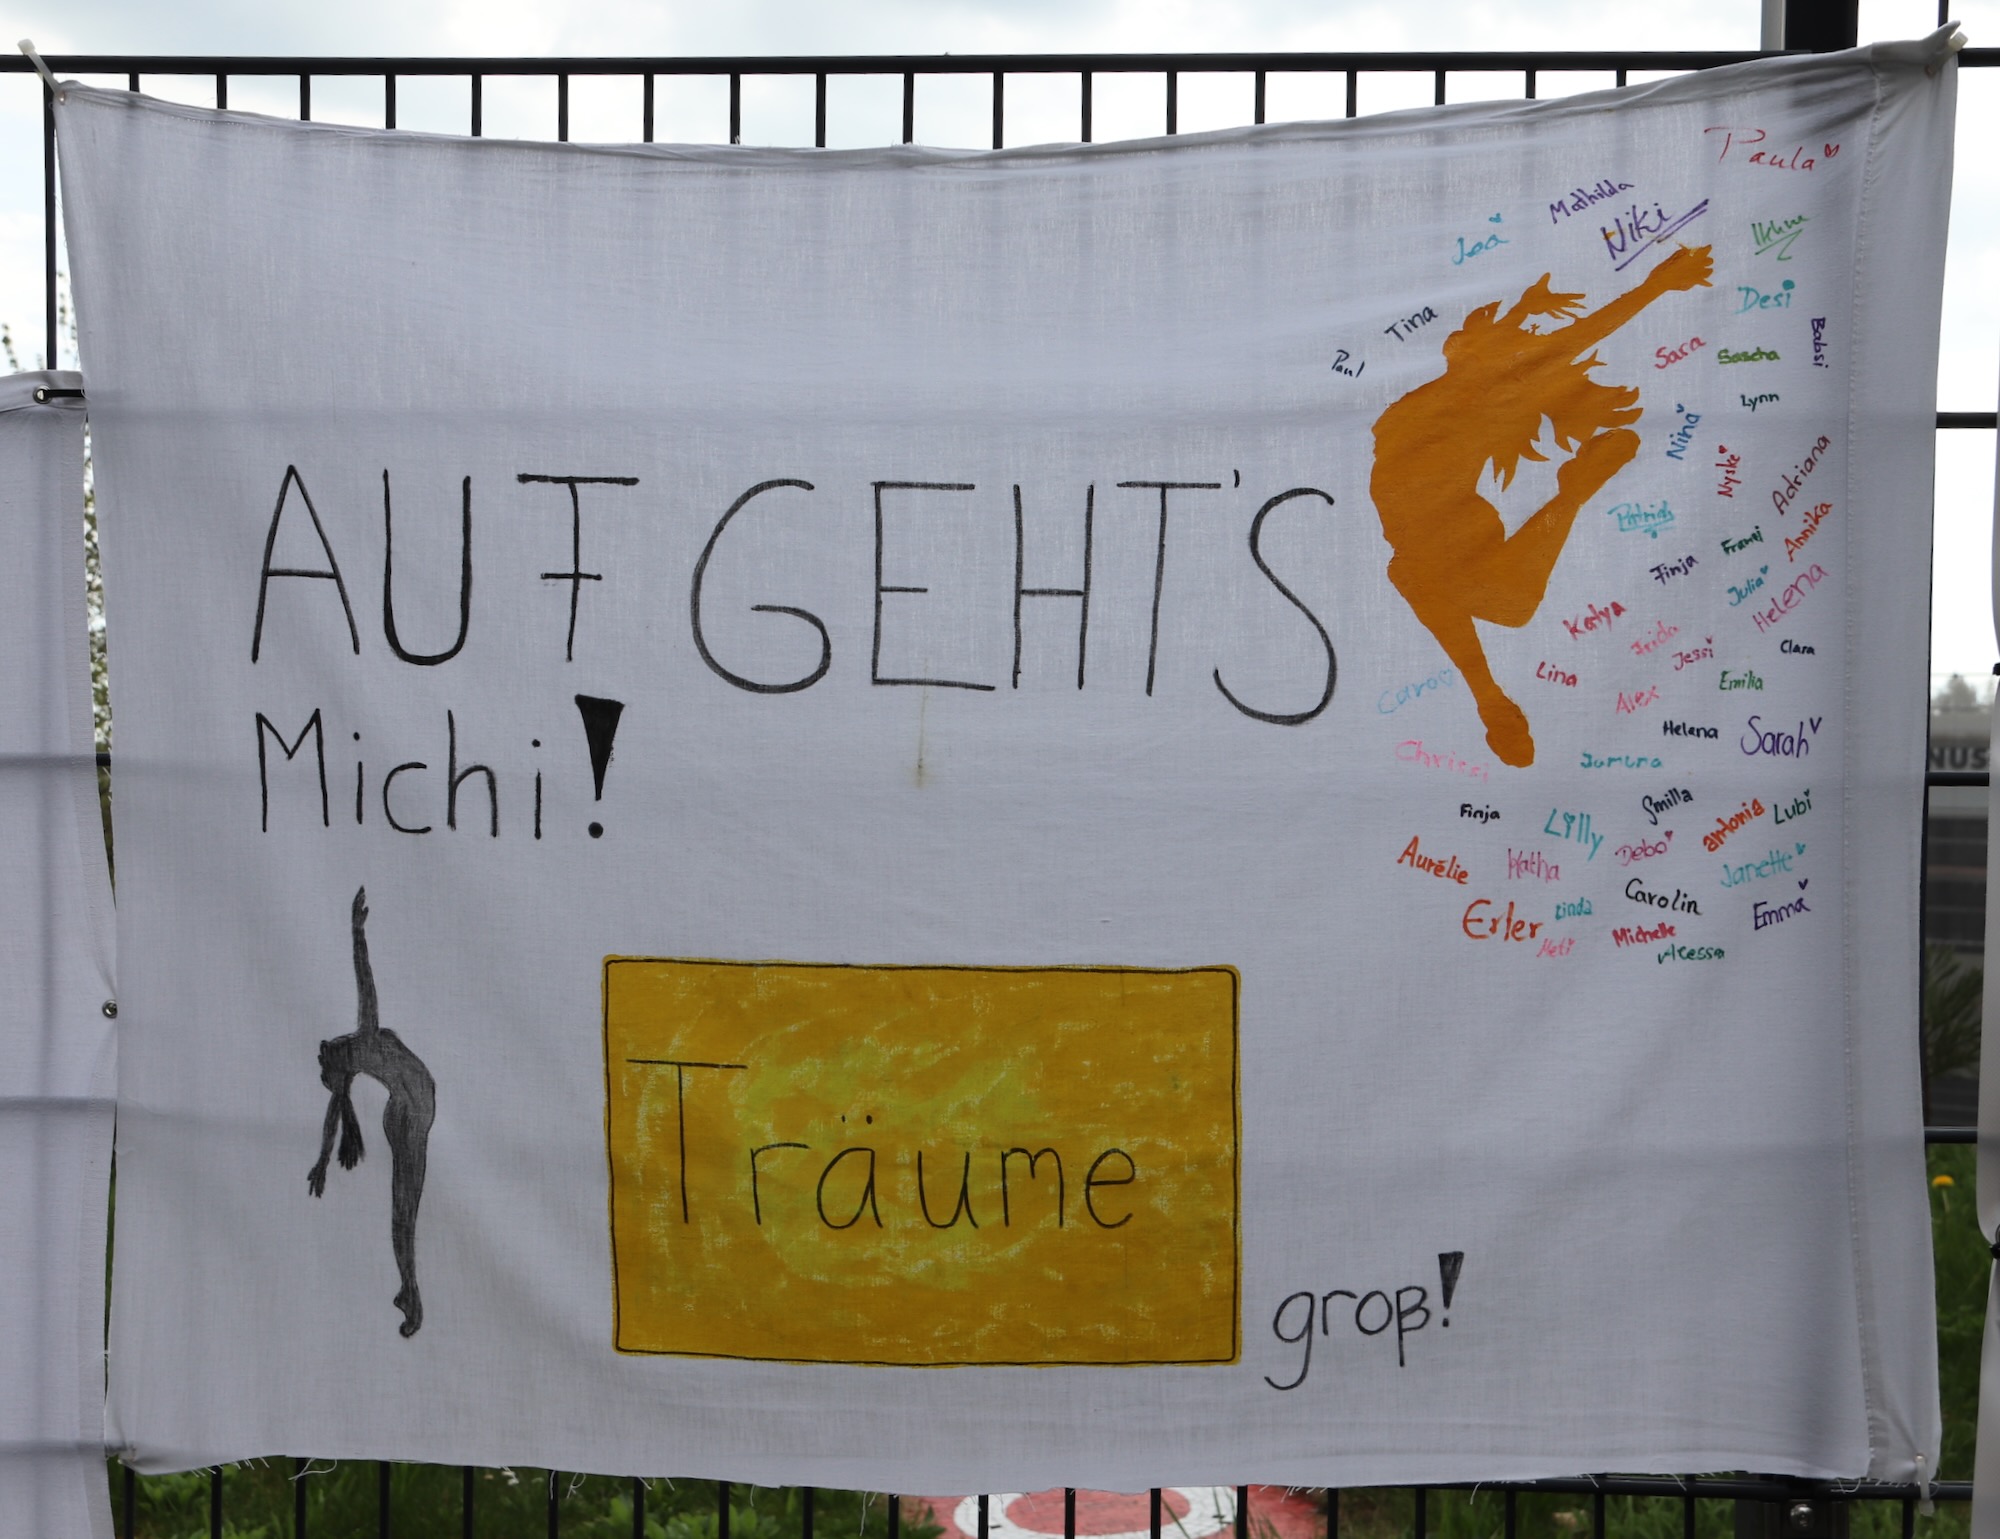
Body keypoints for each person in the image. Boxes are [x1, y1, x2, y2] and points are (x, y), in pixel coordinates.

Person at [1370, 243, 1713, 767]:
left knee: (1477, 595)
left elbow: (1579, 338)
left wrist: (1654, 287)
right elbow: (1570, 340)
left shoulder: (1483, 391)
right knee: (1469, 593)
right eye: (1458, 337)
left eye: (1465, 339)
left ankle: (1572, 494)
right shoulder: (1440, 400)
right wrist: (1651, 287)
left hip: (1447, 535)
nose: (1452, 340)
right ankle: (1572, 494)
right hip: (1436, 536)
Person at [309, 886, 436, 1338]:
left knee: (404, 1209)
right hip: (409, 1110)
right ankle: (411, 1291)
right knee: (404, 1209)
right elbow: (365, 983)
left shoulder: (359, 1048)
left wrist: (323, 1162)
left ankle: (409, 1288)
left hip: (406, 1109)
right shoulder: (361, 1044)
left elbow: (335, 1112)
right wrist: (356, 932)